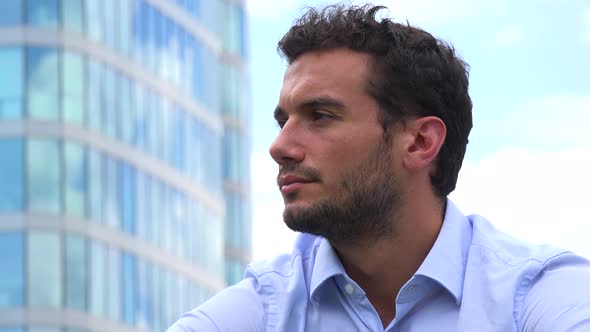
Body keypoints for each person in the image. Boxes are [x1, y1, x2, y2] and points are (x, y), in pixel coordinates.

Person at [168, 4, 590, 331]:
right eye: (284, 121)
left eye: (320, 115)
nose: (280, 147)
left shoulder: (538, 294)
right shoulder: (266, 306)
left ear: (421, 142)